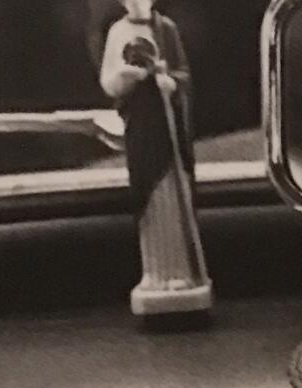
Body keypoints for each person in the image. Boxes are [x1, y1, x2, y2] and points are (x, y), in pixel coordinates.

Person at [99, 0, 211, 316]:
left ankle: (183, 273)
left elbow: (184, 75)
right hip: (142, 125)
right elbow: (109, 83)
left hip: (167, 122)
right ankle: (156, 273)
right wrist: (126, 75)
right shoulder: (117, 31)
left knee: (173, 195)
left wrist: (168, 81)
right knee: (148, 193)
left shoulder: (167, 30)